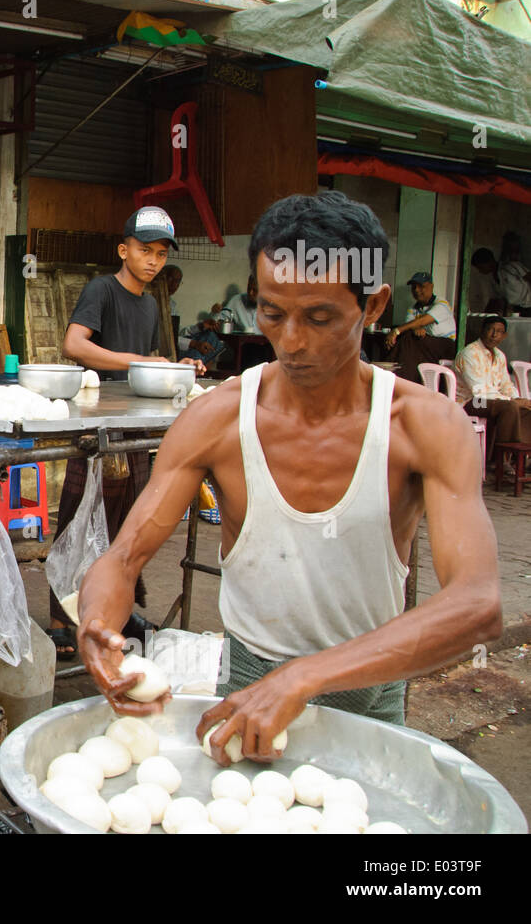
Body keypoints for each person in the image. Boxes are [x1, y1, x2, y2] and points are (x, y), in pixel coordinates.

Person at [74, 190, 500, 756]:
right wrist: (98, 627)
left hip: (370, 696)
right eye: (272, 314)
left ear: (373, 306)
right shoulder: (218, 418)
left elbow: (477, 604)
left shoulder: (424, 426)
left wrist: (304, 677)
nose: (292, 341)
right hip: (246, 687)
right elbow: (124, 557)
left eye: (320, 317)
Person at [51, 206, 205, 658]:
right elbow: (74, 344)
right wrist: (137, 362)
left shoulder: (150, 304)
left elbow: (148, 364)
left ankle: (116, 610)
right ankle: (64, 616)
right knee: (82, 516)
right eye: (144, 250)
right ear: (124, 250)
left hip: (133, 425)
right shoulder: (103, 290)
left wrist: (178, 368)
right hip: (95, 423)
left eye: (160, 253)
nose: (153, 261)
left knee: (126, 522)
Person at [455, 316, 531, 455]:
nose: (494, 335)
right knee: (509, 406)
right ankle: (502, 458)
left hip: (491, 401)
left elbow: (506, 385)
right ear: (482, 330)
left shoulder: (500, 356)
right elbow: (478, 390)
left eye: (499, 331)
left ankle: (523, 457)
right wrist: (512, 401)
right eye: (490, 329)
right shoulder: (470, 353)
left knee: (526, 407)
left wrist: (518, 399)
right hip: (471, 401)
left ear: (504, 336)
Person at [382, 271, 457, 384]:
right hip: (424, 346)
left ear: (431, 287)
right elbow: (411, 325)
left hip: (444, 346)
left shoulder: (441, 303)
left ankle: (391, 375)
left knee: (406, 339)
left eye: (421, 286)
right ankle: (399, 378)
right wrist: (415, 328)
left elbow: (422, 321)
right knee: (407, 340)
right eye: (414, 287)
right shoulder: (413, 308)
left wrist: (396, 331)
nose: (417, 290)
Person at [471, 247, 530, 315]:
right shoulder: (491, 278)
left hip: (528, 306)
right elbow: (494, 300)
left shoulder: (510, 267)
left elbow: (529, 277)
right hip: (515, 310)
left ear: (489, 262)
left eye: (480, 267)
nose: (480, 270)